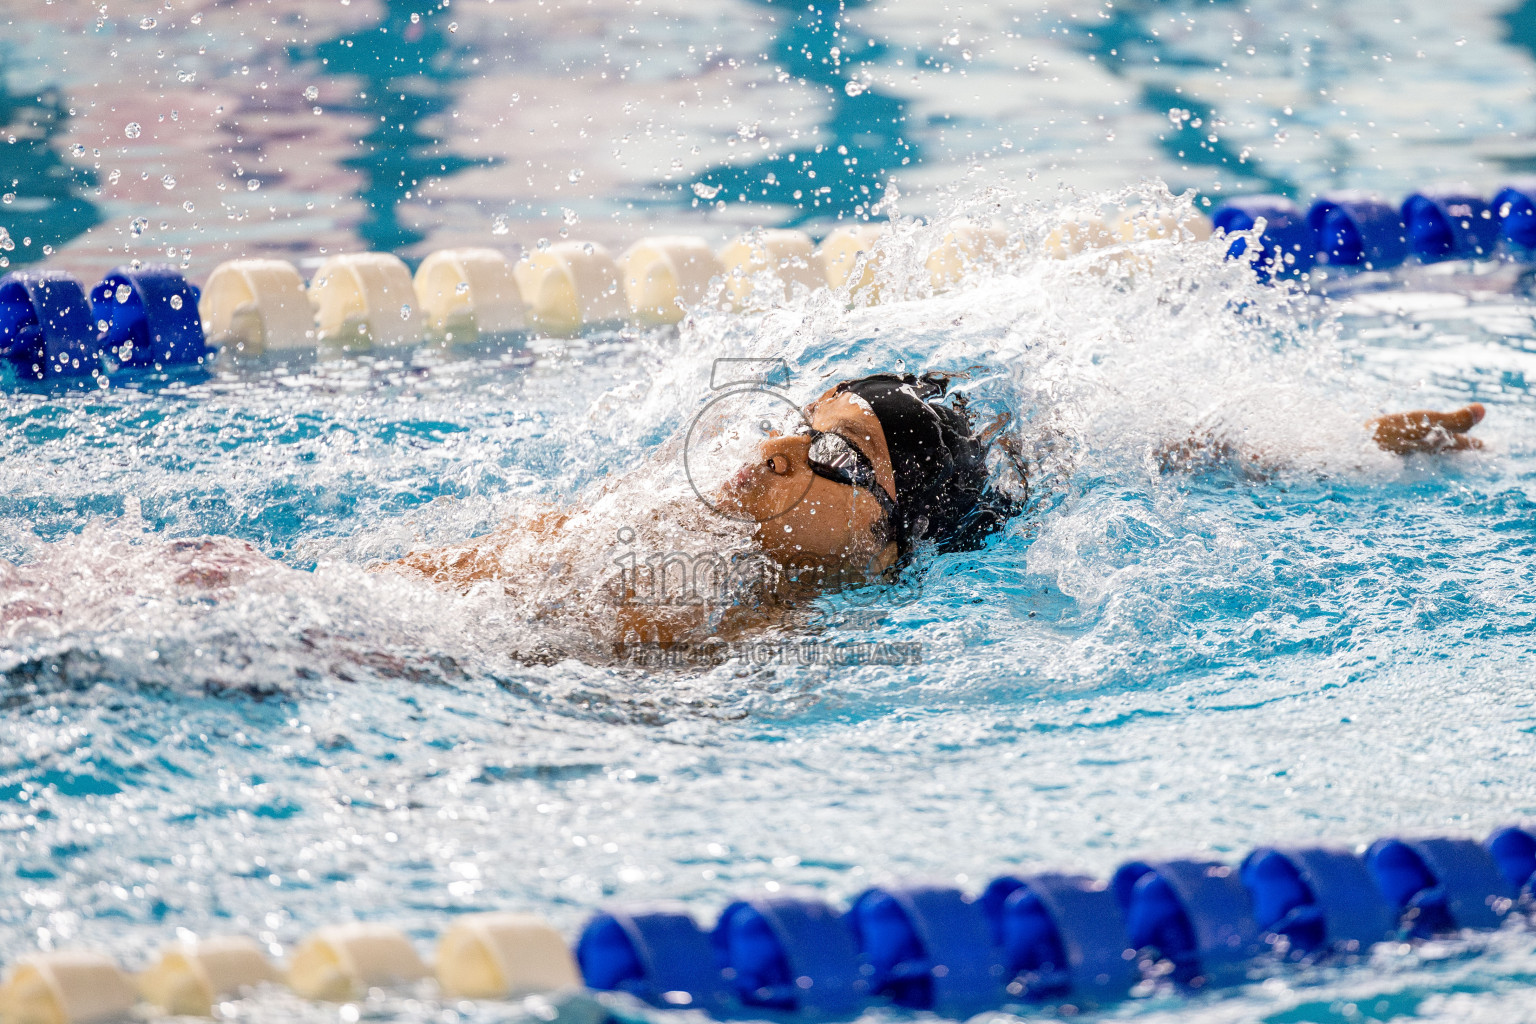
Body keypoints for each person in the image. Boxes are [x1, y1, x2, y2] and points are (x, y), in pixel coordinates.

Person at [376, 372, 1487, 652]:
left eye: (833, 450)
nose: (774, 446)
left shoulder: (791, 631)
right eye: (795, 417)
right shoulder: (642, 518)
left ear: (883, 534)